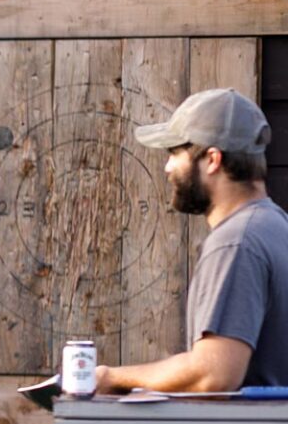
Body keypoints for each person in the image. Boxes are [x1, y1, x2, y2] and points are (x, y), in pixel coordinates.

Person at [97, 88, 288, 393]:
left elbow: (215, 374)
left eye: (175, 152)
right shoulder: (275, 225)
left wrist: (111, 379)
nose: (167, 167)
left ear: (212, 159)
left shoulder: (237, 242)